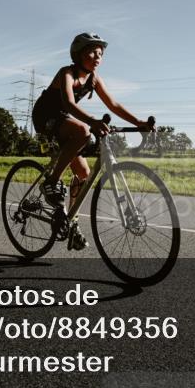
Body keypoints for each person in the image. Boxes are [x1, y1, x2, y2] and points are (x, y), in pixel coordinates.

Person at [32, 32, 148, 250]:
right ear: (78, 54)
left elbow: (113, 105)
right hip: (45, 116)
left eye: (101, 54)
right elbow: (67, 103)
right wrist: (93, 121)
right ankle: (51, 182)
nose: (98, 56)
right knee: (83, 131)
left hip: (64, 119)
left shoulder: (94, 79)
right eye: (92, 52)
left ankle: (71, 221)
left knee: (83, 174)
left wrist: (139, 122)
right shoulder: (67, 72)